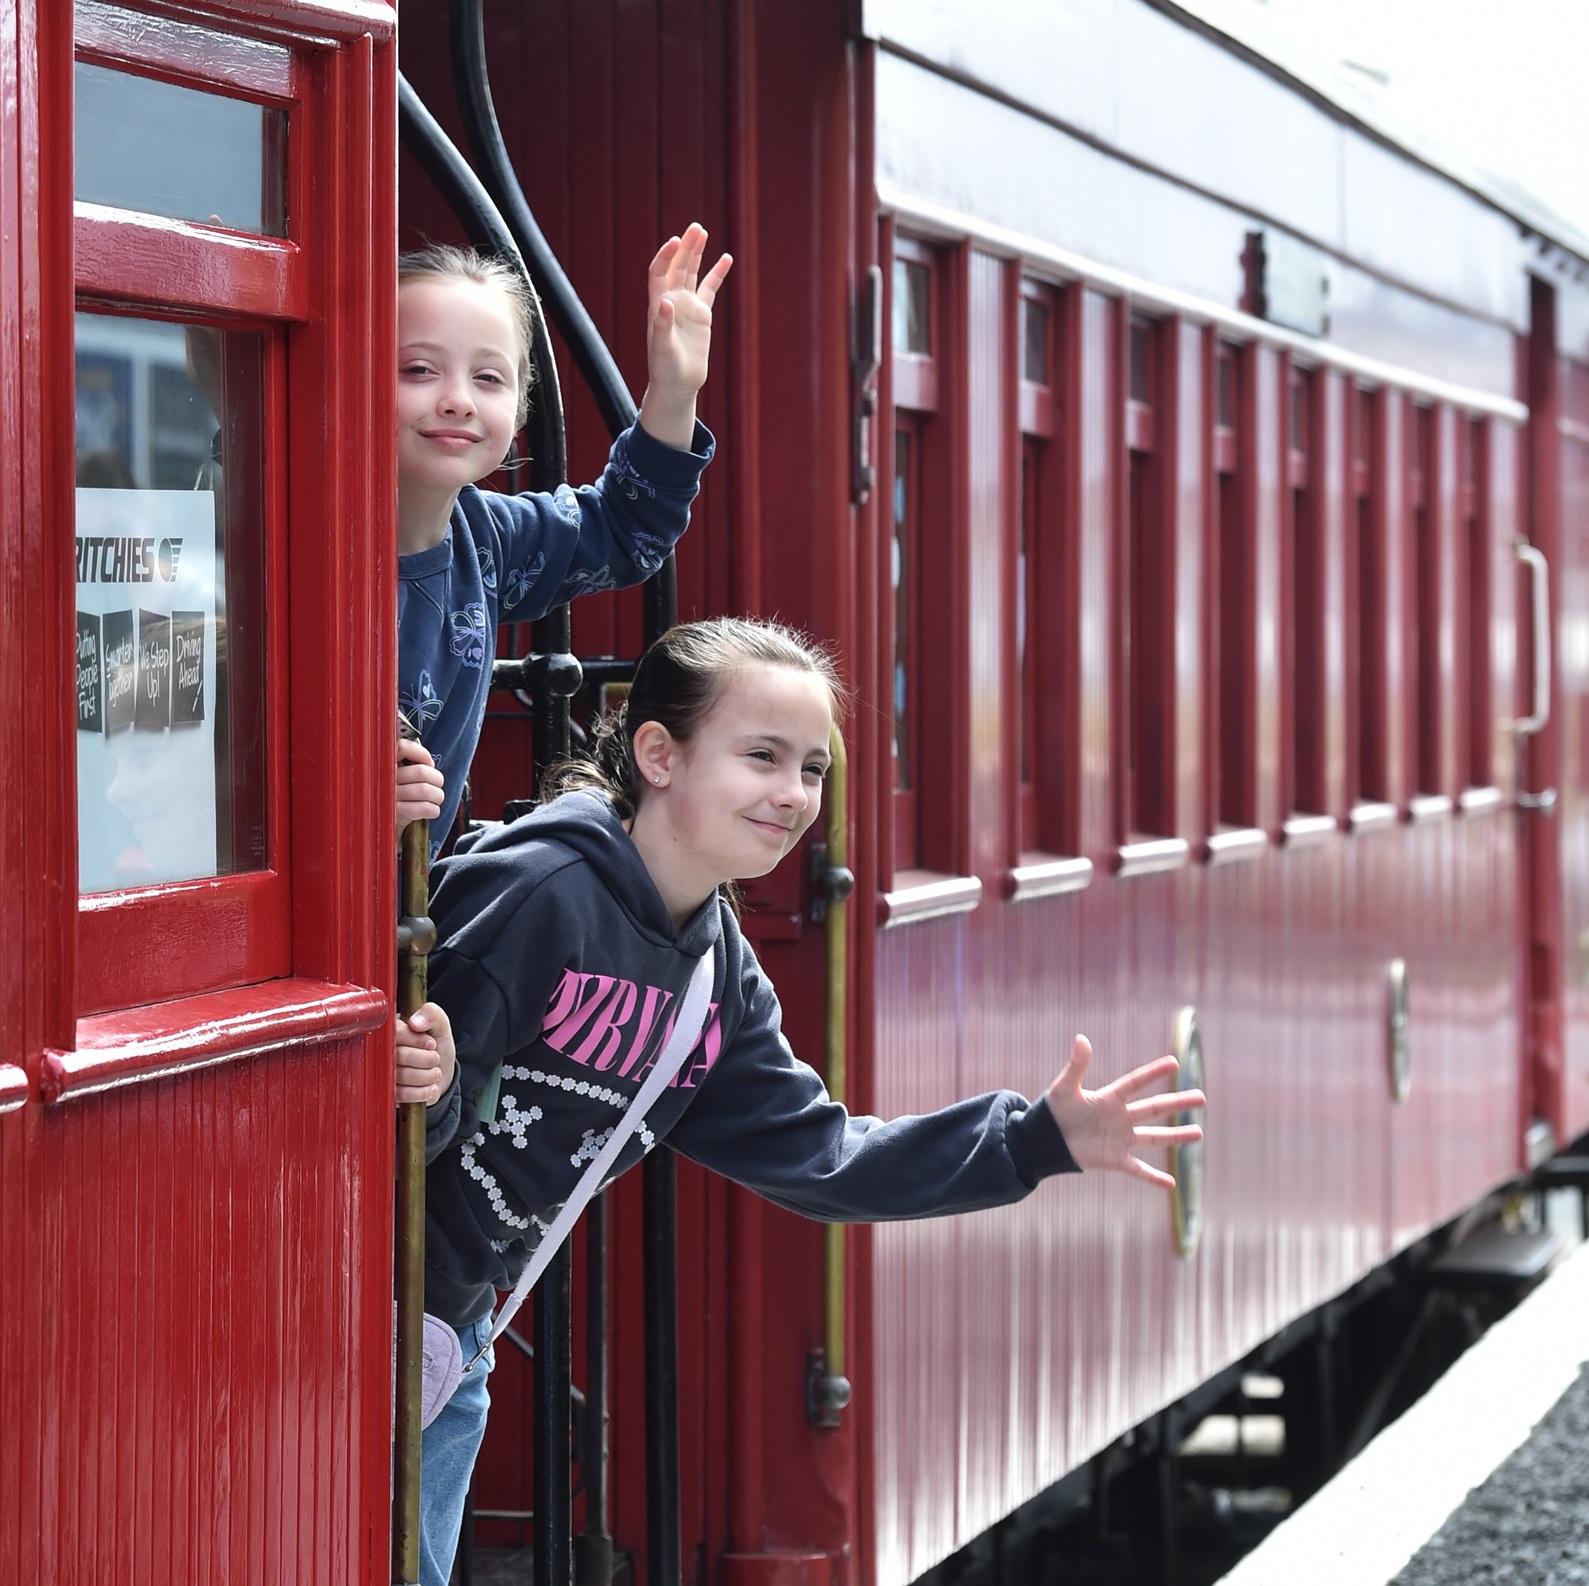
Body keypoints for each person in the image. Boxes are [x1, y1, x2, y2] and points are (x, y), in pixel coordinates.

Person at [394, 616, 1207, 1586]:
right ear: (657, 752)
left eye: (812, 769)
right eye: (761, 757)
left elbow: (822, 1156)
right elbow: (386, 1095)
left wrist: (1033, 1142)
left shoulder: (712, 977)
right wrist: (432, 1096)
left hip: (451, 1341)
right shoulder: (539, 889)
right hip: (376, 1317)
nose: (792, 795)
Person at [394, 224, 732, 849]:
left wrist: (675, 387)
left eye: (489, 378)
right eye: (418, 369)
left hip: (407, 918)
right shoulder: (294, 541)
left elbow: (627, 527)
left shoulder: (486, 537)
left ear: (521, 407)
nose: (458, 400)